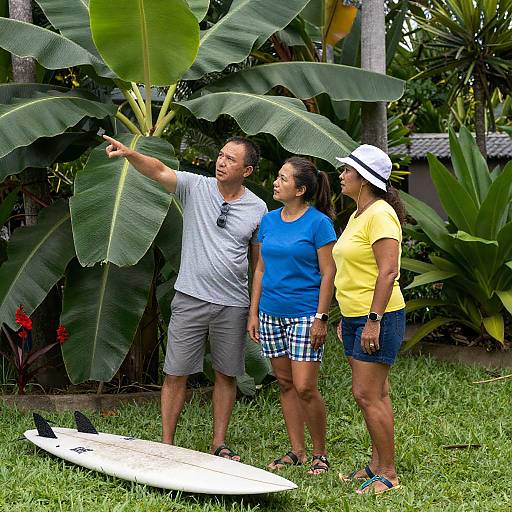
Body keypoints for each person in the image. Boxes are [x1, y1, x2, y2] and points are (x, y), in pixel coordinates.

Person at [103, 134, 267, 460]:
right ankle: (167, 444)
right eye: (221, 155)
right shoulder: (196, 186)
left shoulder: (258, 208)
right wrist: (130, 154)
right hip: (190, 298)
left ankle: (219, 443)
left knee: (226, 374)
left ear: (247, 170)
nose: (221, 162)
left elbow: (259, 262)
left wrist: (253, 310)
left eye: (230, 159)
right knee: (175, 372)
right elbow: (159, 170)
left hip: (232, 304)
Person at [247, 157, 337, 475]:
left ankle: (320, 453)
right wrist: (253, 312)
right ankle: (297, 451)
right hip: (270, 314)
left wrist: (321, 317)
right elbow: (260, 269)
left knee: (304, 387)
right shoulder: (269, 221)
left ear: (299, 190)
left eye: (283, 178)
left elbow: (329, 273)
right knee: (285, 384)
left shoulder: (319, 224)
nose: (275, 181)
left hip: (304, 316)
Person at [332, 144, 406, 494]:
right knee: (375, 392)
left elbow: (388, 270)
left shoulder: (380, 214)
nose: (342, 175)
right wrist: (344, 317)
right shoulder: (358, 215)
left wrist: (373, 320)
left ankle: (388, 474)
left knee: (366, 394)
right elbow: (352, 269)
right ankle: (376, 464)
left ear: (364, 179)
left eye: (347, 171)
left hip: (377, 315)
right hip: (354, 315)